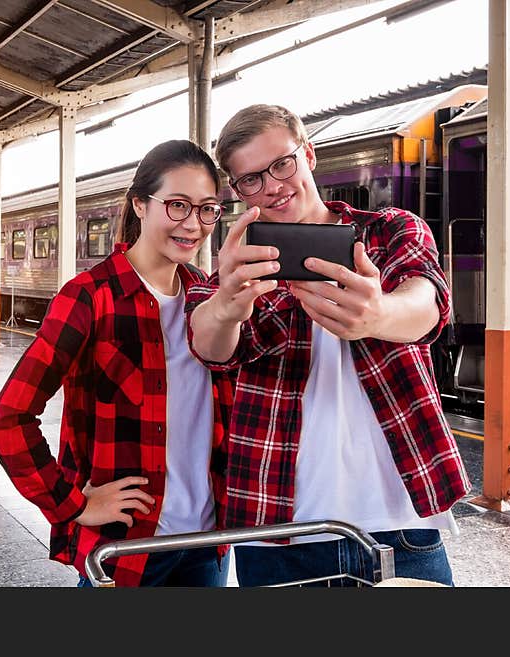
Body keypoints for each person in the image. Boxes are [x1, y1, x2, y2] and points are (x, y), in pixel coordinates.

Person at [186, 104, 470, 586]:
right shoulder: (232, 272)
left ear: (309, 156)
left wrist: (378, 314)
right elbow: (210, 344)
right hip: (275, 534)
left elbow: (427, 303)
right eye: (251, 179)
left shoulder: (390, 230)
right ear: (238, 193)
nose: (273, 186)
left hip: (400, 526)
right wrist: (229, 304)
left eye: (281, 164)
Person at [0, 140, 234, 587]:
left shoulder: (208, 295)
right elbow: (8, 417)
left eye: (207, 209)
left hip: (206, 547)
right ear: (139, 203)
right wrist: (74, 505)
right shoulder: (89, 297)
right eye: (177, 206)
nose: (193, 224)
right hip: (129, 549)